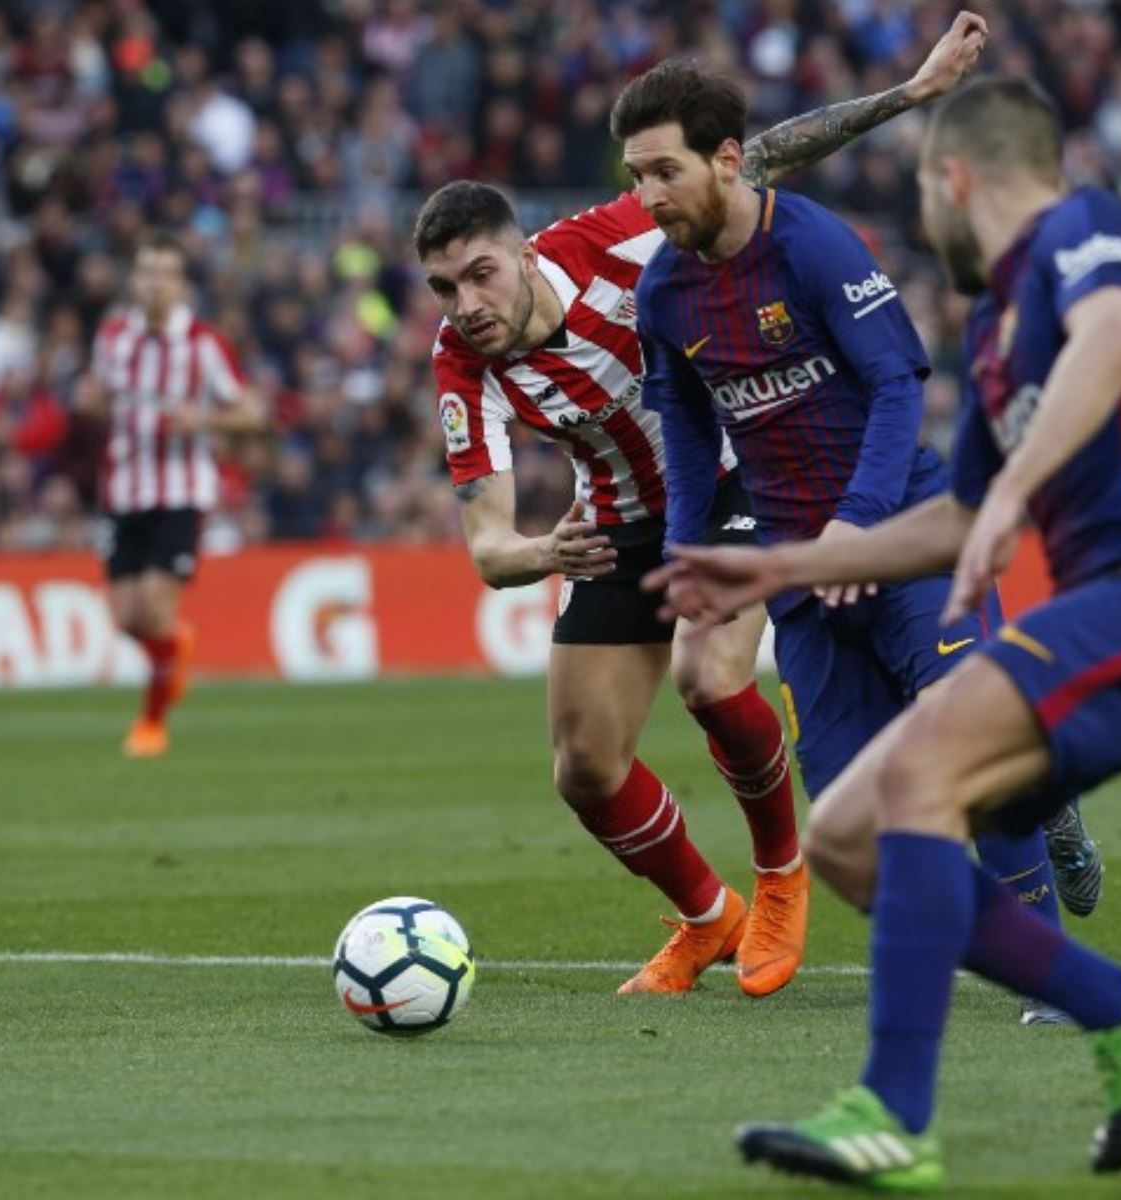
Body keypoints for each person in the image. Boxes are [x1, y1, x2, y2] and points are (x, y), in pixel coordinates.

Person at [648, 77, 1121, 1190]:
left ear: (951, 179)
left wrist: (1017, 492)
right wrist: (784, 564)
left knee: (922, 774)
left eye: (922, 192)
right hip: (1096, 612)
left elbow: (1113, 341)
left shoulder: (1088, 229)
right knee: (850, 836)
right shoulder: (993, 333)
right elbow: (957, 519)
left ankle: (896, 1112)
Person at [415, 15, 991, 998]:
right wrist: (547, 552)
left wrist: (907, 95)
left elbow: (756, 156)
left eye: (481, 273)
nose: (467, 302)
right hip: (607, 525)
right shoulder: (459, 365)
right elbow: (488, 547)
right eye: (444, 286)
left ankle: (778, 879)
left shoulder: (614, 240)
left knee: (712, 676)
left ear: (519, 252)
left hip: (729, 475)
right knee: (584, 769)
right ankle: (707, 916)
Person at [613, 37, 1087, 1027]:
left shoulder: (817, 246)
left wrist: (856, 528)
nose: (648, 195)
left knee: (965, 747)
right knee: (853, 814)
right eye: (635, 175)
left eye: (665, 170)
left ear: (728, 159)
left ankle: (1045, 962)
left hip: (906, 538)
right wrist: (687, 556)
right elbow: (692, 439)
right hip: (800, 571)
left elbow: (897, 388)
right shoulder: (664, 293)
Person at [84, 234, 264, 758]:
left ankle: (151, 724)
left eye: (164, 273)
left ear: (180, 284)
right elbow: (103, 401)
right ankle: (174, 651)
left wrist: (203, 418)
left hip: (181, 490)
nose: (154, 283)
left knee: (156, 611)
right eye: (145, 272)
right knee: (124, 617)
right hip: (121, 489)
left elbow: (251, 413)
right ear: (134, 281)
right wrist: (90, 402)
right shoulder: (113, 337)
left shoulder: (204, 344)